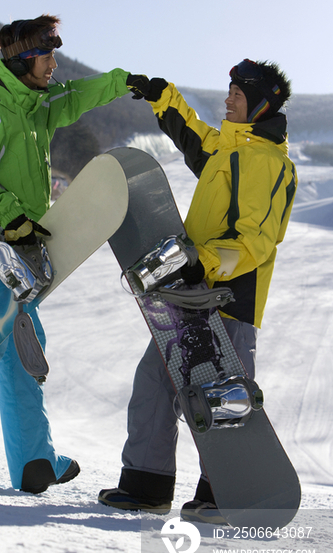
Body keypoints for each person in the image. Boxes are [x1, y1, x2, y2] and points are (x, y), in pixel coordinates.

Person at [0, 14, 131, 492]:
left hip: (24, 257)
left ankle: (33, 463)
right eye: (47, 55)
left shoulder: (36, 104)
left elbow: (77, 96)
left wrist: (124, 82)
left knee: (25, 359)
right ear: (24, 60)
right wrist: (7, 214)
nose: (54, 64)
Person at [99, 59, 297, 521]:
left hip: (227, 298)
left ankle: (225, 494)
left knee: (219, 397)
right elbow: (192, 136)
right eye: (229, 91)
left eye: (238, 95)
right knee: (154, 381)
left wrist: (200, 262)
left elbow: (254, 241)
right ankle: (147, 484)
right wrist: (160, 96)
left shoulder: (267, 163)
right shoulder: (229, 150)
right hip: (192, 291)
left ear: (261, 104)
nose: (228, 99)